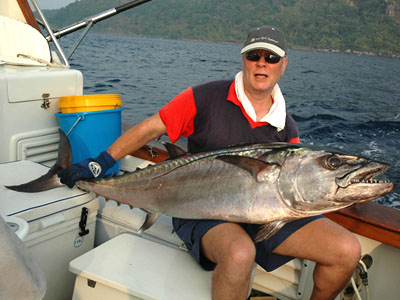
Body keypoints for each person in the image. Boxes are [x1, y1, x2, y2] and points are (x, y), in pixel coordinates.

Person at [59, 25, 361, 300]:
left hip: (267, 214)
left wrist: (342, 190)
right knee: (240, 252)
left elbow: (293, 183)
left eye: (271, 57)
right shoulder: (206, 97)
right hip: (195, 206)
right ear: (243, 59)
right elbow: (153, 127)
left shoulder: (287, 126)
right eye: (254, 55)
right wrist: (101, 162)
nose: (261, 63)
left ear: (283, 66)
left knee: (347, 251)